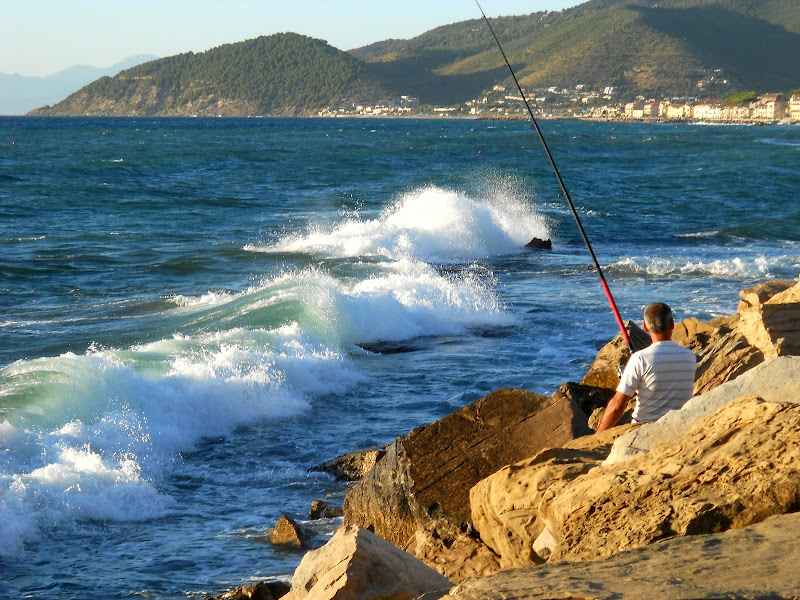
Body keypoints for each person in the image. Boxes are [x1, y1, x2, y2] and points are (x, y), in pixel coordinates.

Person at [596, 302, 696, 432]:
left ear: (644, 326)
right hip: (680, 426)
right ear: (671, 324)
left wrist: (597, 436)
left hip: (643, 429)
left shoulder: (639, 359)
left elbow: (617, 405)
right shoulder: (690, 356)